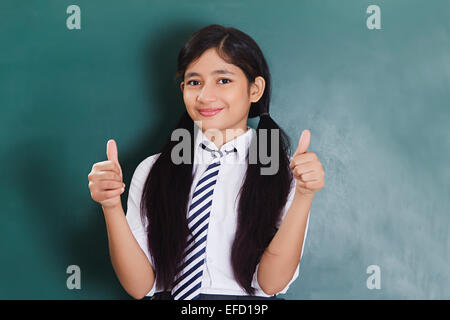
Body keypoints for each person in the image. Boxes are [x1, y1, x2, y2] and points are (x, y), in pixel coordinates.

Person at [88, 24, 325, 300]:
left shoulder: (285, 172)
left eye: (223, 80)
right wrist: (110, 206)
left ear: (255, 89)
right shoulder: (154, 170)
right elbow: (140, 286)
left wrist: (305, 195)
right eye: (194, 82)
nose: (205, 96)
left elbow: (270, 284)